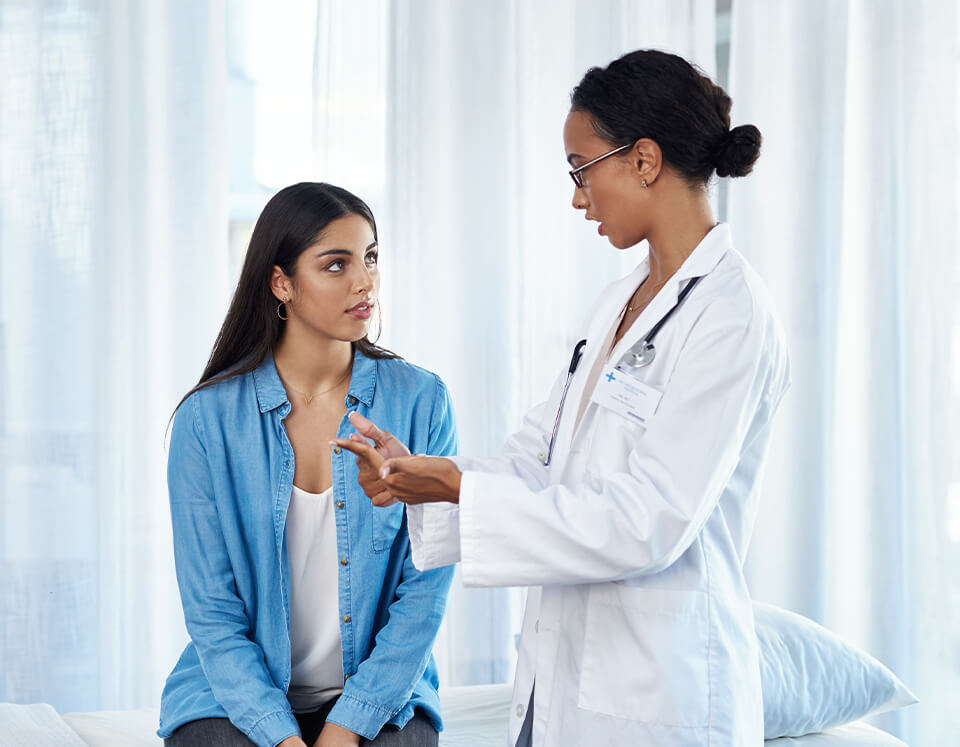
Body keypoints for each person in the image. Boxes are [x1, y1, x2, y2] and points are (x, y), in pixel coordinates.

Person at [335, 50, 791, 746]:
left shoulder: (731, 313)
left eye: (582, 169)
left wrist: (459, 485)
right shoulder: (618, 302)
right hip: (564, 681)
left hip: (656, 695)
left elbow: (649, 519)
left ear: (643, 160)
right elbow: (539, 455)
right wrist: (430, 480)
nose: (578, 197)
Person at [158, 182, 457, 747]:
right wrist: (281, 736)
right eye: (336, 264)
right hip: (231, 699)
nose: (364, 280)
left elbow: (426, 590)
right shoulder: (206, 421)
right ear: (281, 283)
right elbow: (213, 613)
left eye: (370, 257)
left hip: (380, 697)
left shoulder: (422, 401)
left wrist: (349, 723)